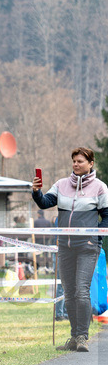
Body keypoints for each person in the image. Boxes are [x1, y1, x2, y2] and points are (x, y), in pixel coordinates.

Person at [32, 146, 108, 352]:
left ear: (91, 164)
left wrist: (95, 237)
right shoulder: (61, 185)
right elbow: (45, 203)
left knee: (82, 291)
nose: (76, 164)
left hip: (87, 247)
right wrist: (37, 192)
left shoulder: (100, 188)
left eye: (80, 161)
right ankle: (74, 337)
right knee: (69, 292)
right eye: (74, 161)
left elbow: (107, 216)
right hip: (65, 246)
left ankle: (83, 336)